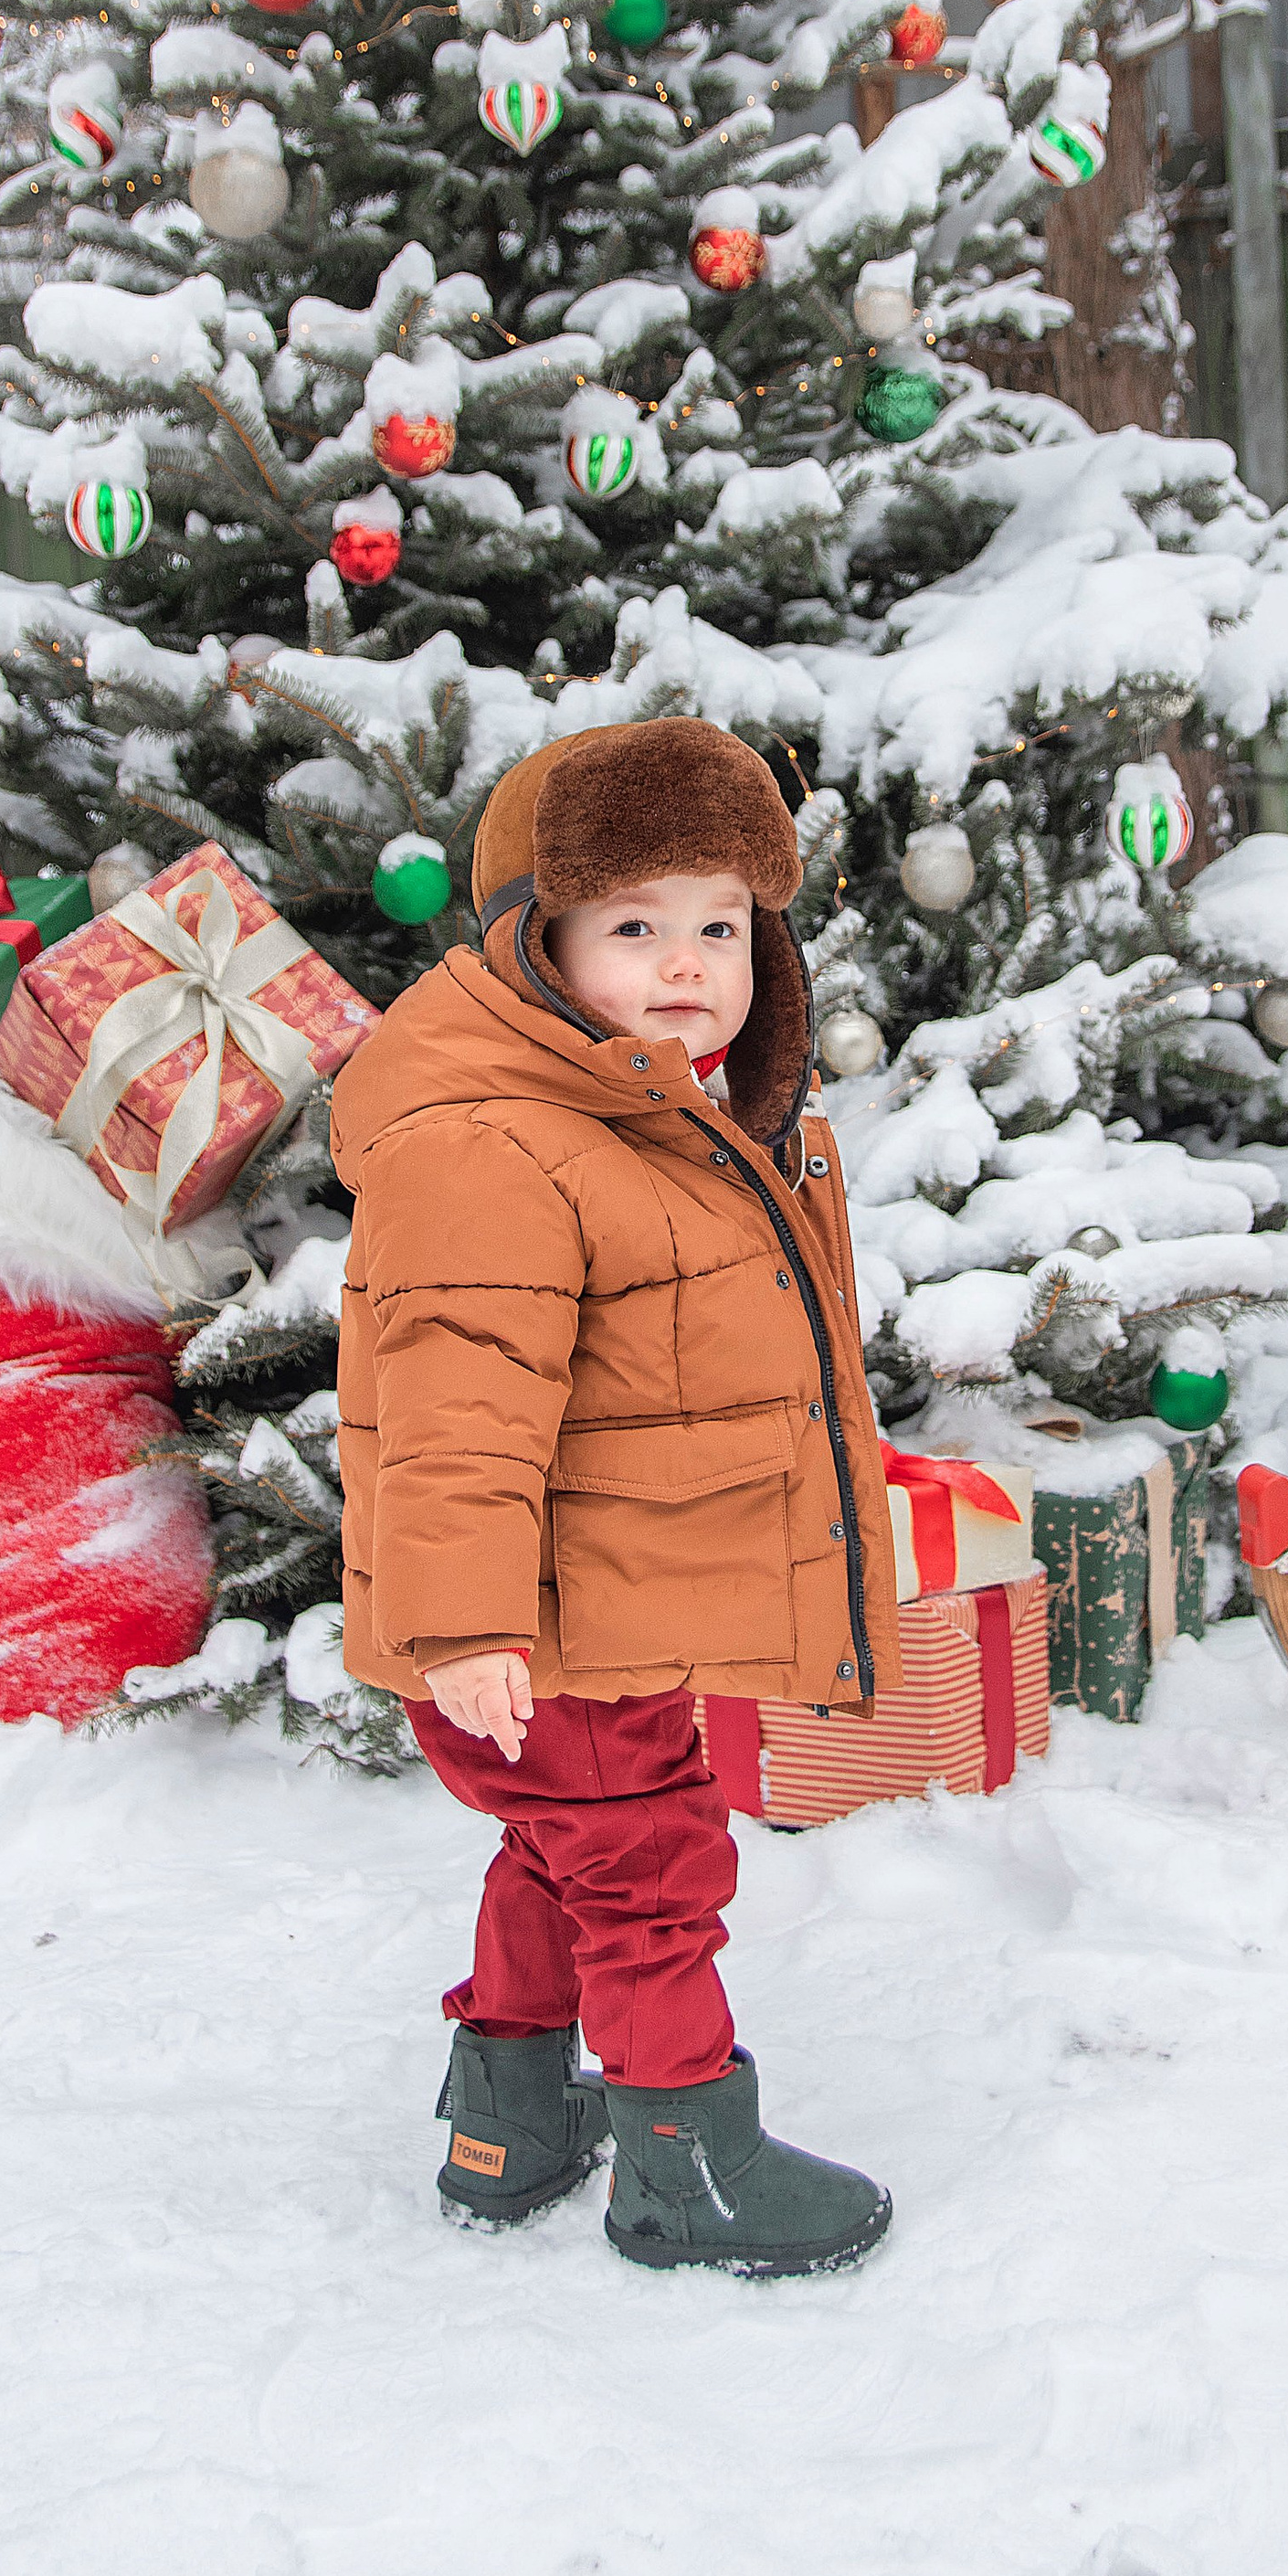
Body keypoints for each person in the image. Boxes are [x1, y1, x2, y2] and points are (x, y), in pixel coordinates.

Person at [330, 718, 903, 2275]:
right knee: (649, 1869)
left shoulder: (647, 1112)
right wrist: (464, 1623)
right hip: (540, 1626)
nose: (686, 963)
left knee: (555, 1851)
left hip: (589, 1615)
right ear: (541, 938)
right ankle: (683, 2163)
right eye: (635, 926)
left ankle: (507, 2120)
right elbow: (456, 1402)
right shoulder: (498, 1142)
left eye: (721, 924)